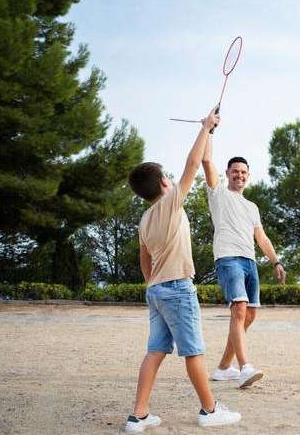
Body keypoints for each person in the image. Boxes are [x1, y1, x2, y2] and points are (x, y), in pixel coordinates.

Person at [124, 108, 241, 433]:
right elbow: (192, 166)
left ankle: (139, 415)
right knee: (193, 352)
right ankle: (210, 409)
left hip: (157, 291)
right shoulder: (170, 203)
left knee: (156, 351)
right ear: (164, 182)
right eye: (169, 176)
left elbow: (143, 260)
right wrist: (203, 126)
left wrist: (209, 133)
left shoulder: (146, 219)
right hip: (177, 289)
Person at [202, 134, 286, 388]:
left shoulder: (252, 206)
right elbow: (206, 160)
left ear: (248, 176)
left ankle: (223, 368)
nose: (239, 175)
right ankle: (245, 368)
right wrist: (209, 131)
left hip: (250, 262)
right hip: (228, 259)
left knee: (248, 316)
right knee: (238, 310)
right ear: (227, 173)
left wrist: (276, 262)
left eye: (244, 172)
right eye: (235, 171)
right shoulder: (217, 193)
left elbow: (261, 237)